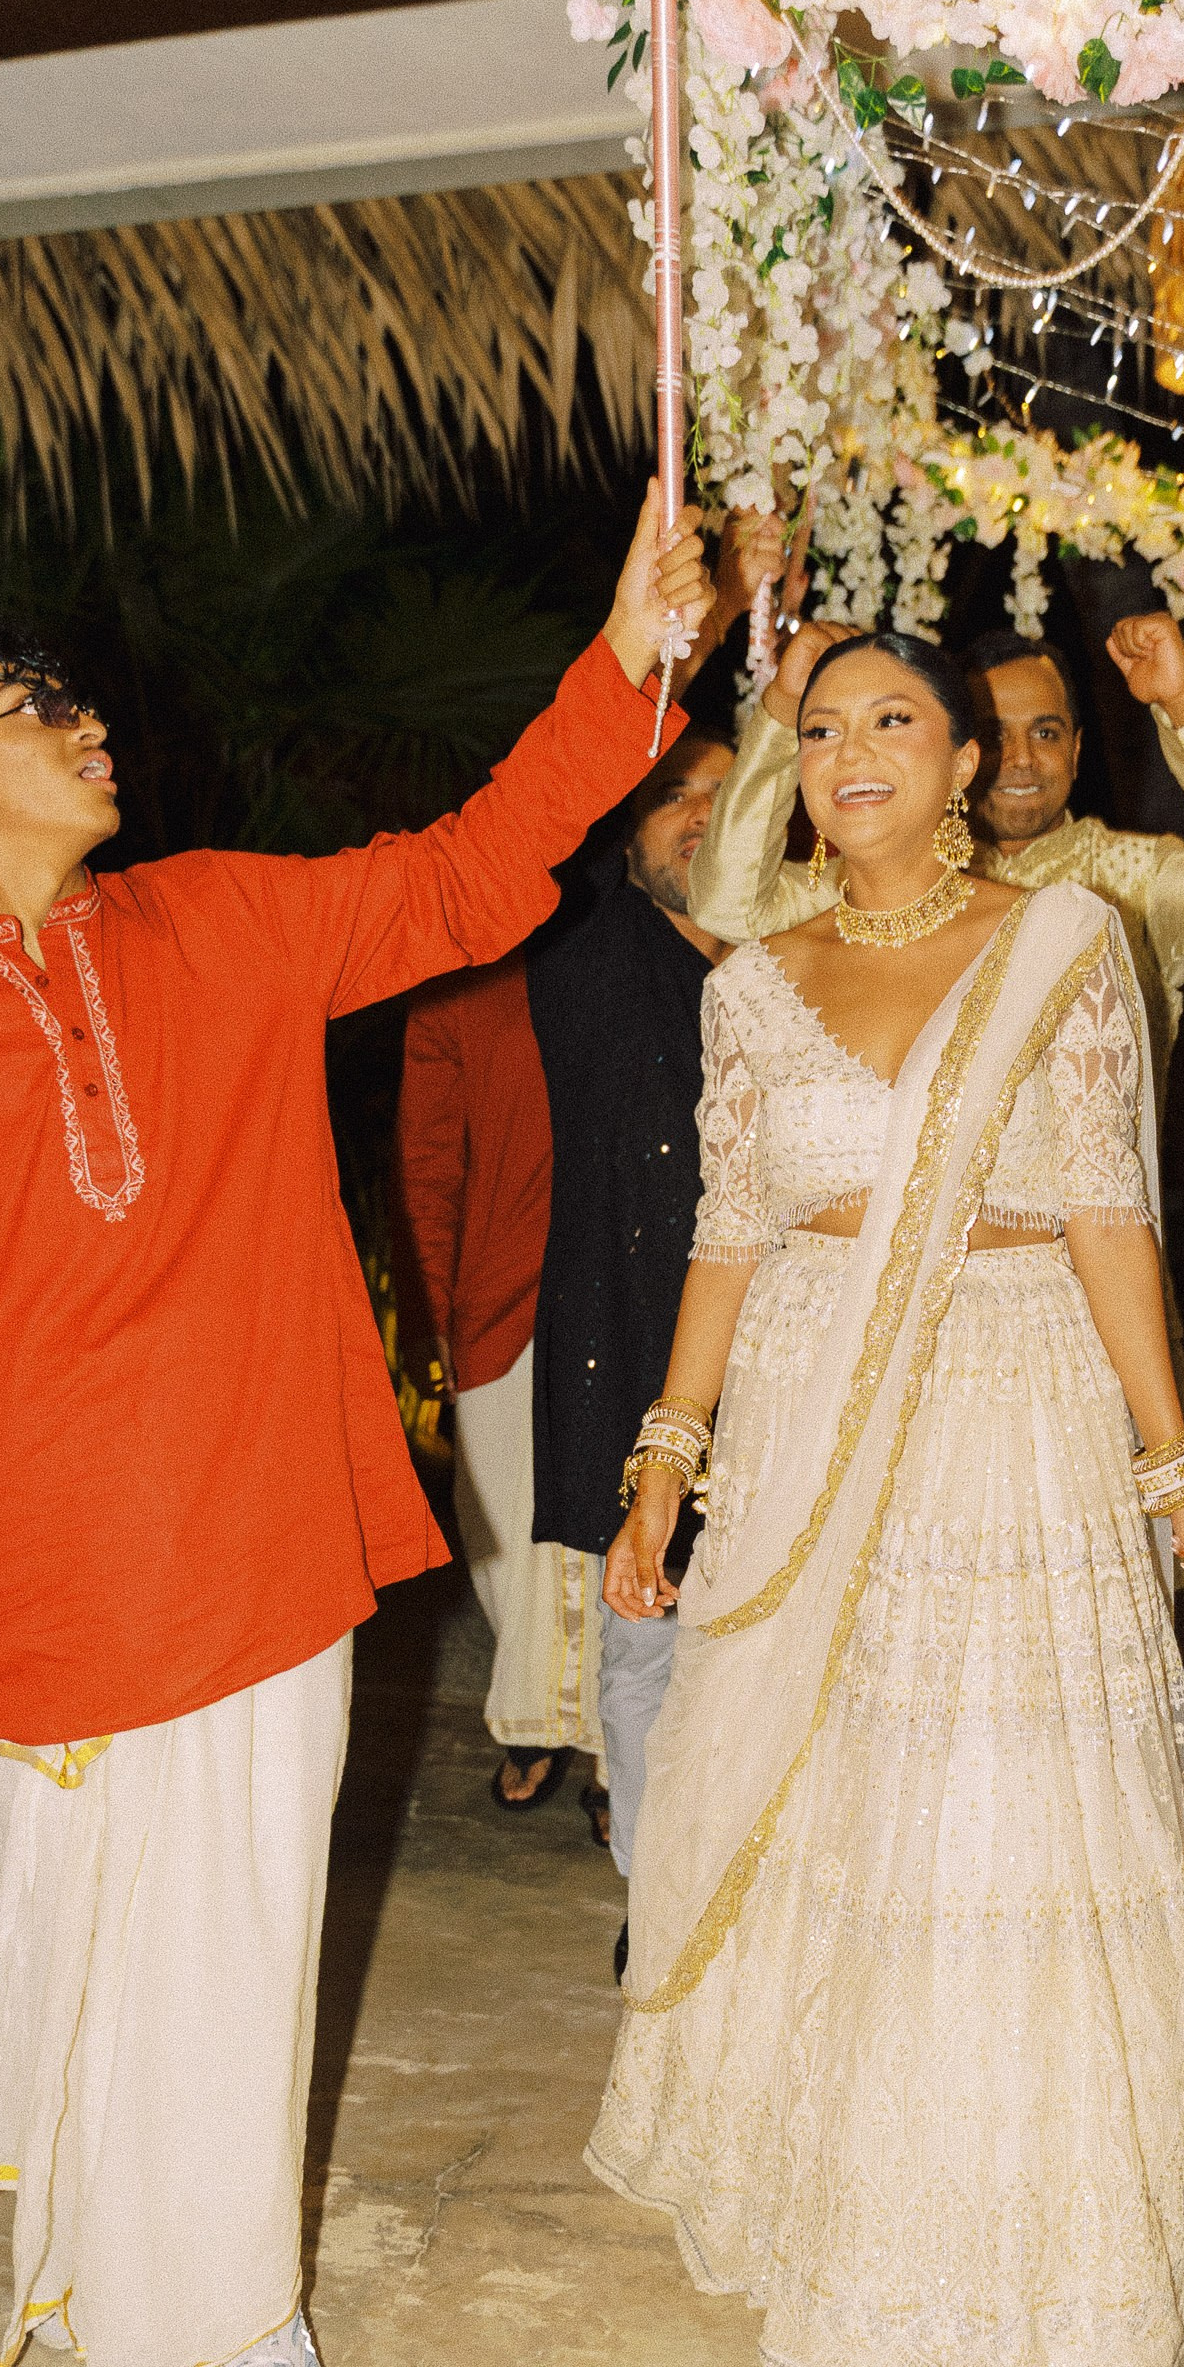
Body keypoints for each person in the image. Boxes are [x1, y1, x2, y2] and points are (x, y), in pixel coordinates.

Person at [0, 490, 710, 2367]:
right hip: (27, 1582)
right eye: (36, 708)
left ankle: (245, 2313)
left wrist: (628, 657)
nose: (89, 725)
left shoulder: (226, 921)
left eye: (81, 700)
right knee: (87, 1955)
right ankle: (136, 2254)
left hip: (254, 1538)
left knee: (240, 1948)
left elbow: (474, 871)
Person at [585, 631, 1184, 2367]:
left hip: (1011, 1408)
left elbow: (1110, 1214)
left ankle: (1009, 2246)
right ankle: (811, 2193)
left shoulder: (1063, 944)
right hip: (804, 1405)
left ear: (968, 764)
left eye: (894, 721)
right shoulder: (750, 981)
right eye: (821, 727)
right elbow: (729, 1231)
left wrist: (1173, 1465)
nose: (851, 749)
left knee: (996, 1802)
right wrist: (666, 1461)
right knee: (828, 1795)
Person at [681, 607, 1184, 1097]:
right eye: (993, 733)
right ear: (958, 752)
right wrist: (784, 710)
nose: (1020, 758)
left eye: (1045, 732)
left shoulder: (1133, 880)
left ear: (1076, 751)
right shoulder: (874, 888)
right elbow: (726, 905)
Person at [525, 723, 735, 1905]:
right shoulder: (585, 943)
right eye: (671, 794)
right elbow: (544, 838)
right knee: (648, 1642)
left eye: (727, 792)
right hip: (632, 1348)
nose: (699, 814)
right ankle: (656, 1910)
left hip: (787, 1352)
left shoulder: (805, 959)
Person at [391, 956, 609, 1825]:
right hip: (500, 1289)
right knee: (500, 1521)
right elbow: (427, 1160)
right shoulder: (457, 981)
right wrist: (427, 1307)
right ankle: (537, 1706)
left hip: (628, 1281)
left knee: (621, 1518)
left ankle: (614, 1745)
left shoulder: (648, 945)